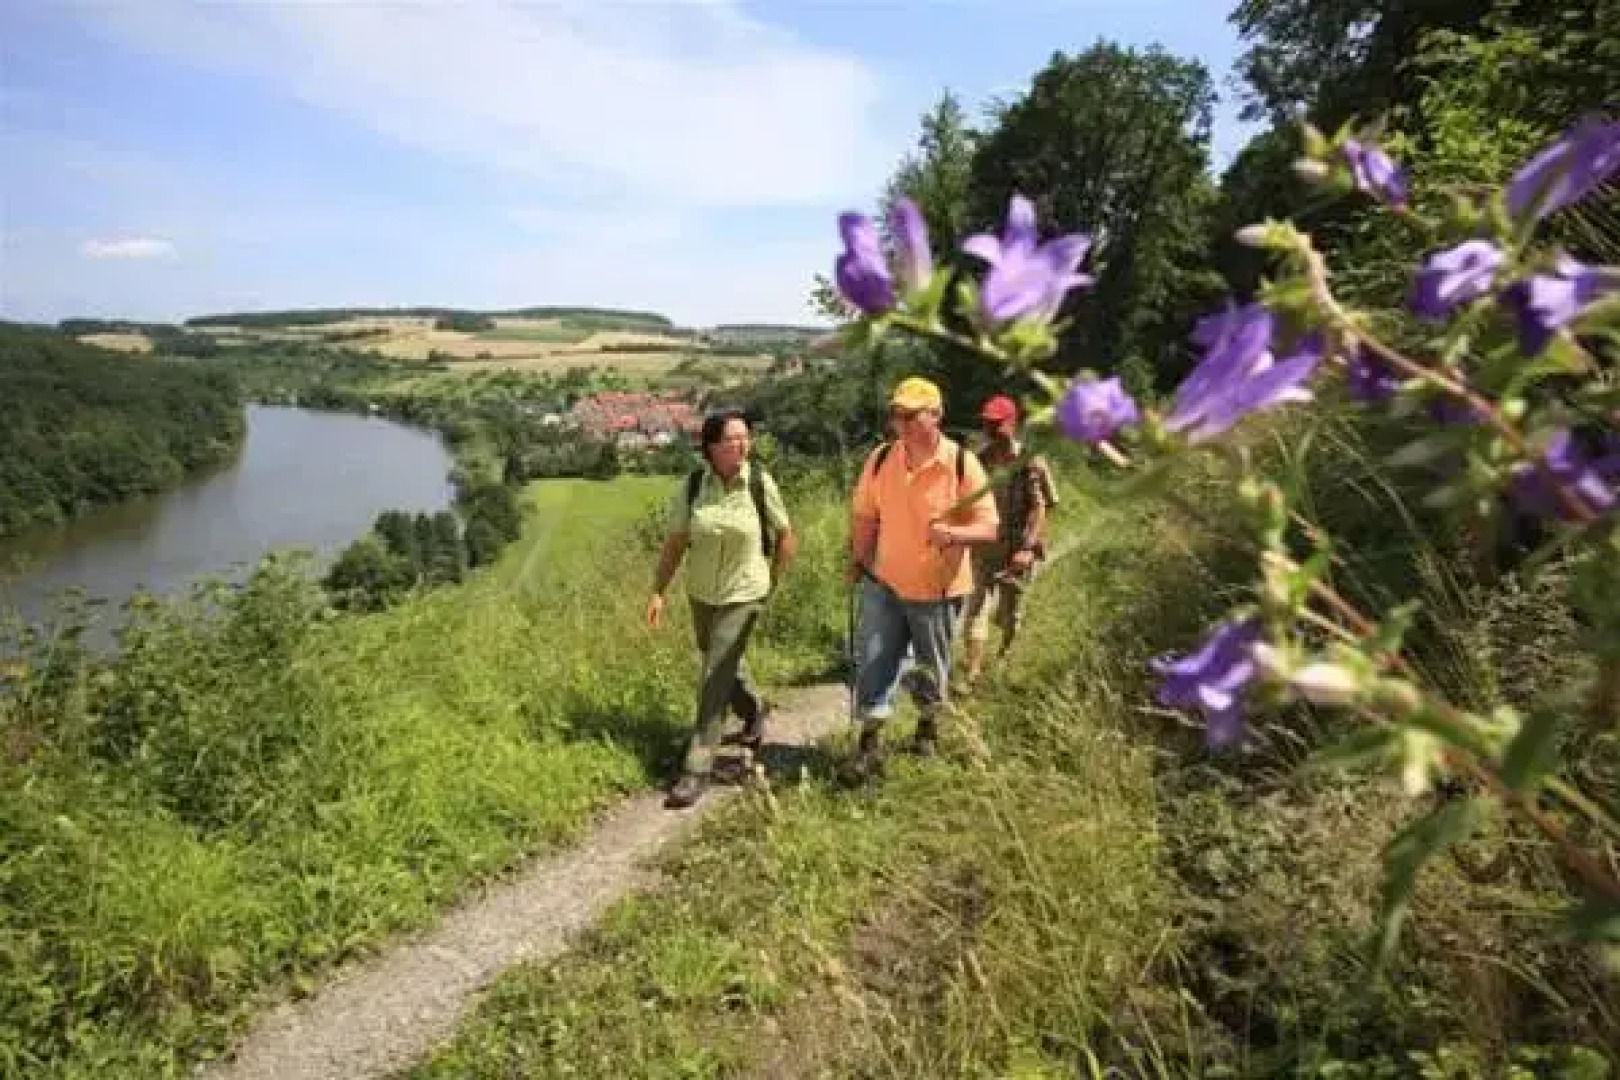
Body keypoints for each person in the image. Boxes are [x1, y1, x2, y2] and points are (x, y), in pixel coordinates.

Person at [846, 377, 999, 774]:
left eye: (912, 415)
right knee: (874, 660)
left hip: (938, 589)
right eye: (898, 414)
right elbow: (865, 514)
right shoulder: (881, 459)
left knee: (932, 665)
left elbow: (989, 527)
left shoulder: (963, 464)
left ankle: (927, 727)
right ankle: (869, 743)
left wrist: (952, 533)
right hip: (884, 582)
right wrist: (857, 560)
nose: (903, 423)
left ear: (937, 416)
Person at [647, 410, 797, 809]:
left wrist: (772, 583)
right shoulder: (694, 486)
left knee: (714, 675)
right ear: (711, 447)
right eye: (732, 439)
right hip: (701, 592)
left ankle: (697, 768)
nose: (742, 445)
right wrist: (659, 591)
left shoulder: (760, 484)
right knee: (721, 660)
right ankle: (753, 709)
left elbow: (785, 535)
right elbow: (676, 543)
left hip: (744, 592)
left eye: (746, 437)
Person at [959, 394, 1058, 689]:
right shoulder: (979, 461)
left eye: (996, 424)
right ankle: (972, 674)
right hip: (985, 549)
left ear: (1012, 423)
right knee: (975, 609)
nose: (990, 429)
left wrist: (1028, 548)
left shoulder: (1031, 461)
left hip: (1018, 550)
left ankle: (1005, 656)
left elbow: (1043, 505)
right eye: (987, 423)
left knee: (1009, 612)